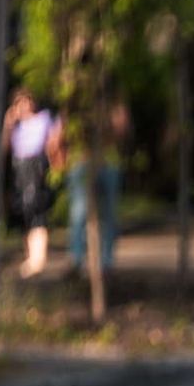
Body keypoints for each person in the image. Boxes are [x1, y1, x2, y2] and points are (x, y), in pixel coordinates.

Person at [4, 90, 63, 278]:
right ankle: (31, 256)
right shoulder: (16, 127)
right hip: (20, 169)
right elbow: (4, 148)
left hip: (37, 167)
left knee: (37, 210)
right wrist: (8, 125)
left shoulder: (43, 119)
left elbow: (55, 137)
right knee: (25, 211)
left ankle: (38, 259)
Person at [68, 101, 129, 274]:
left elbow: (122, 129)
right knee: (79, 213)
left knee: (108, 213)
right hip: (81, 161)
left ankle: (106, 261)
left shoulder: (112, 98)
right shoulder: (74, 98)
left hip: (109, 161)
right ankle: (77, 258)